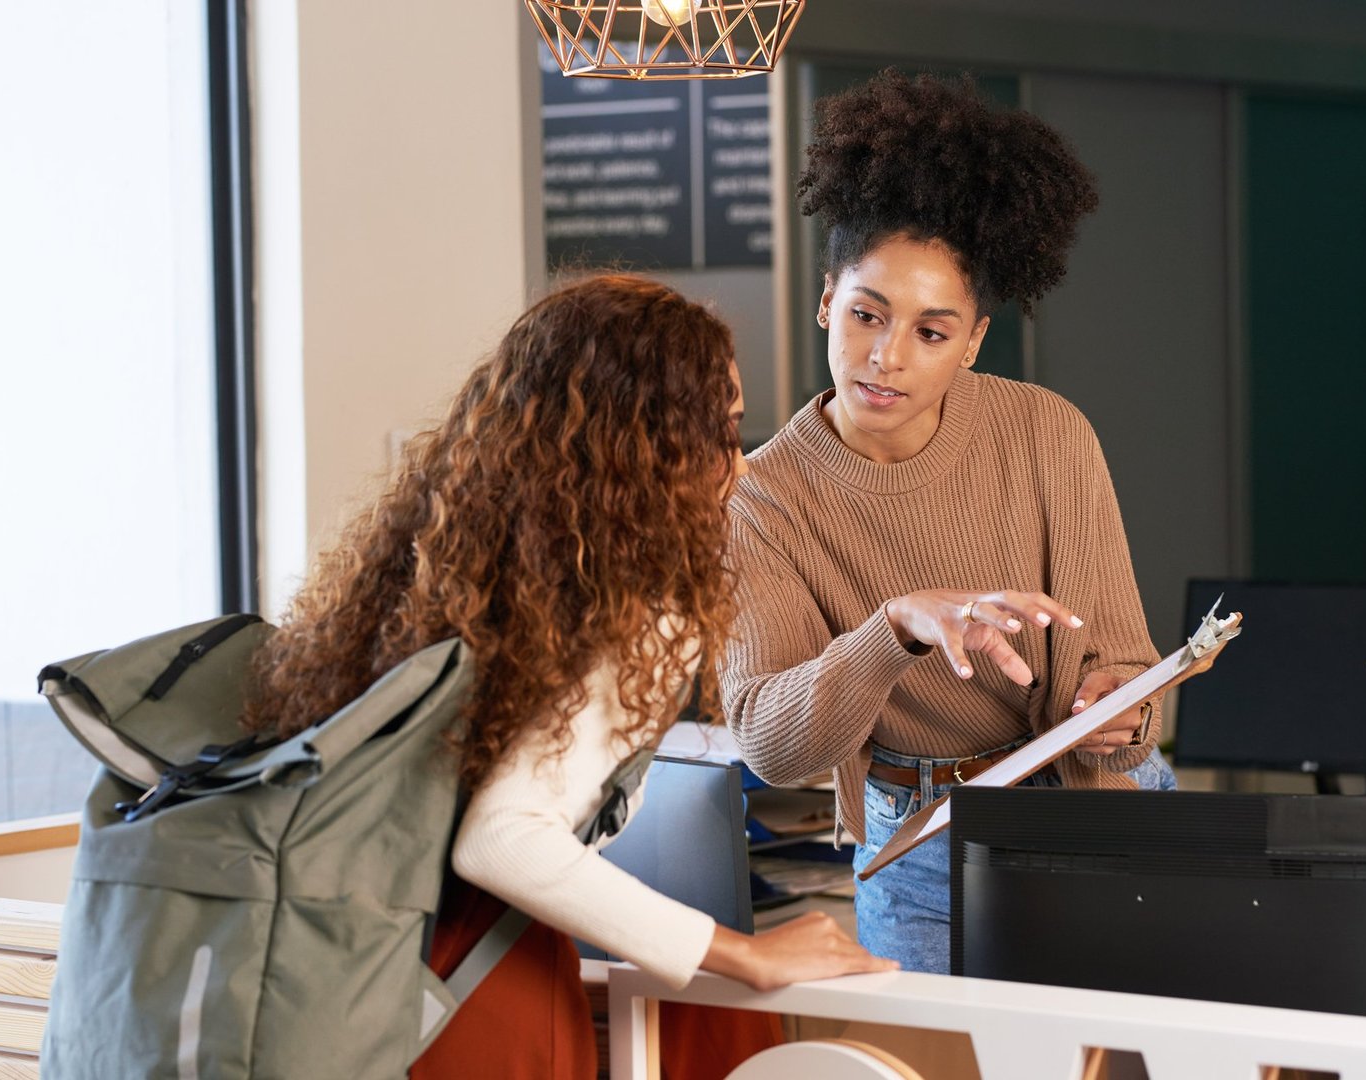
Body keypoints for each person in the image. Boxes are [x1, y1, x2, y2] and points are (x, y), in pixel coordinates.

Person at [242, 274, 894, 1078]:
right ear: (652, 449)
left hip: (354, 976)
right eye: (721, 431)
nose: (742, 465)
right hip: (473, 991)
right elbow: (502, 841)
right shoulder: (638, 611)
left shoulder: (444, 575)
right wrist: (736, 953)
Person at [720, 71, 1176, 976]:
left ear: (972, 341)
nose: (886, 356)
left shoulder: (1047, 434)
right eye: (865, 315)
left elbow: (1127, 664)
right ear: (826, 302)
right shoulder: (761, 499)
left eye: (932, 332)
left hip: (1098, 817)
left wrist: (1116, 710)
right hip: (915, 843)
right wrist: (893, 628)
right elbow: (772, 744)